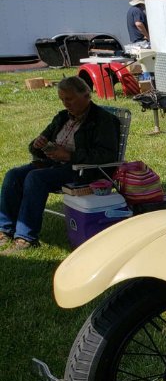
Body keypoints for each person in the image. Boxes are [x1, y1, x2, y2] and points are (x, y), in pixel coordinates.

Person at [0, 77, 120, 251]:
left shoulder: (103, 120)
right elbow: (37, 145)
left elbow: (106, 155)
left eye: (69, 99)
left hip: (82, 170)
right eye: (62, 99)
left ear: (86, 95)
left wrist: (69, 155)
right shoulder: (62, 117)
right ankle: (5, 230)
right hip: (54, 164)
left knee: (35, 178)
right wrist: (38, 145)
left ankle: (25, 238)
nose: (65, 104)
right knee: (14, 175)